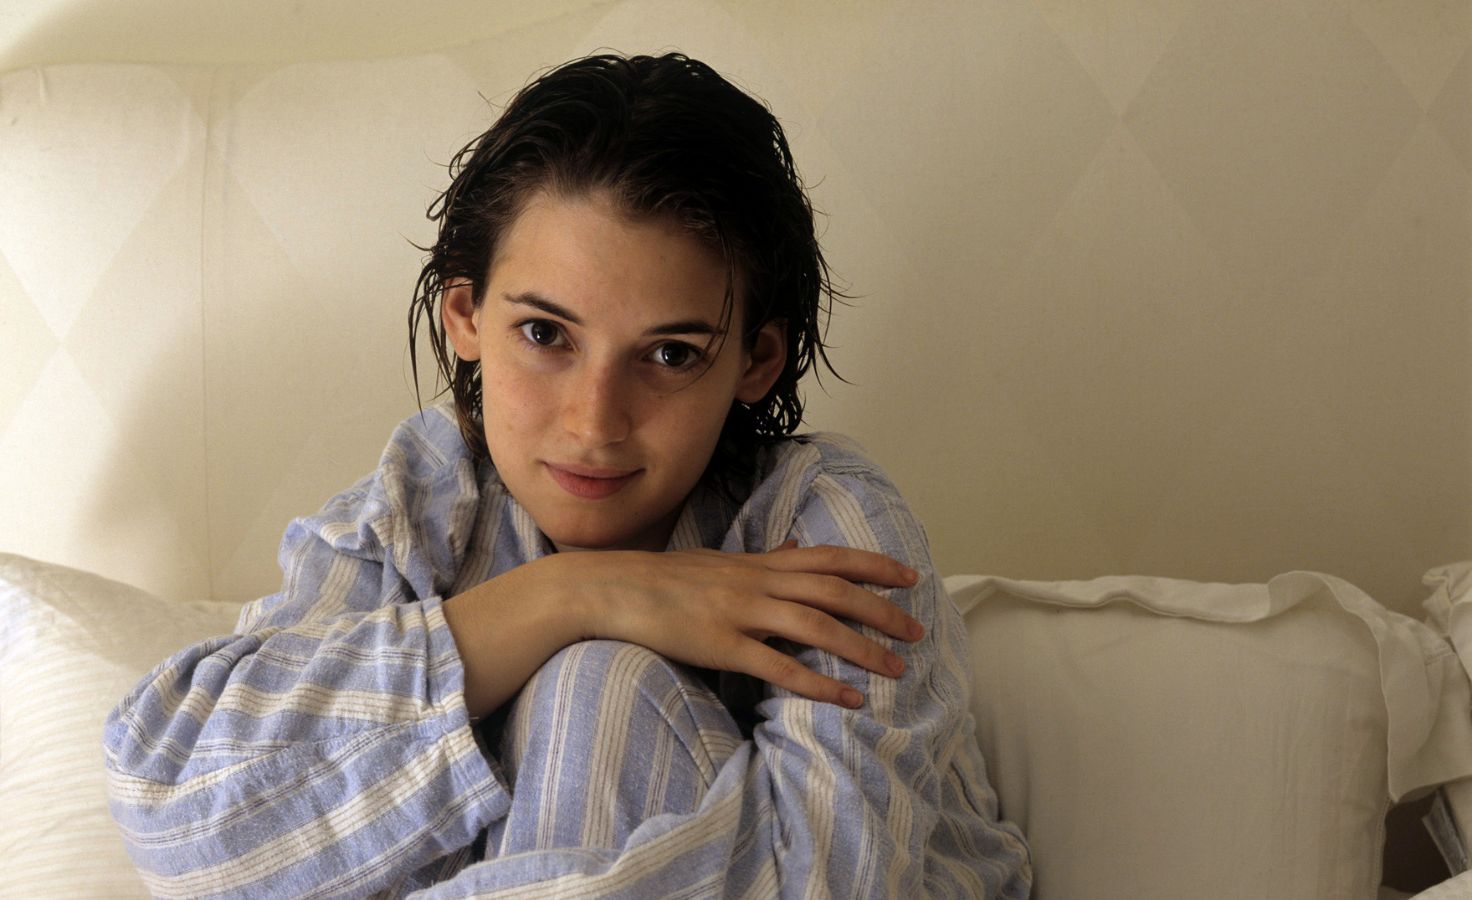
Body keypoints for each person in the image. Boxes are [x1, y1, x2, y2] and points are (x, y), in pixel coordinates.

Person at [103, 52, 1031, 898]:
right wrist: (572, 594)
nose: (595, 423)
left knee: (603, 690)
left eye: (669, 355)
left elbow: (846, 884)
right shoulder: (418, 510)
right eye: (545, 334)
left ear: (756, 361)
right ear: (465, 316)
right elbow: (174, 809)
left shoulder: (830, 534)